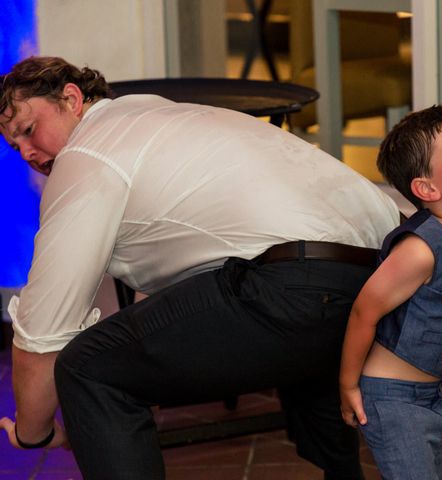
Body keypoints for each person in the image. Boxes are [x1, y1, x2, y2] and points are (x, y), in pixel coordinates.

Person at [0, 56, 400, 480]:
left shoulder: (88, 153)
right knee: (309, 322)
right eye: (13, 146)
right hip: (374, 281)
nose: (26, 151)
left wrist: (33, 433)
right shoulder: (159, 115)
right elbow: (177, 279)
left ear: (72, 98)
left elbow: (42, 334)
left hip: (291, 289)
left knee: (85, 368)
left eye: (28, 129)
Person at [339, 105, 442, 479]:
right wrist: (348, 385)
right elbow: (364, 312)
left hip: (440, 394)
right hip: (393, 400)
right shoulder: (419, 251)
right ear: (427, 188)